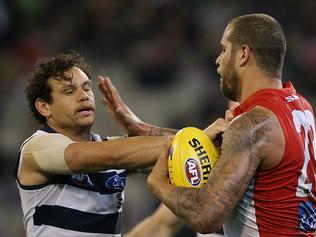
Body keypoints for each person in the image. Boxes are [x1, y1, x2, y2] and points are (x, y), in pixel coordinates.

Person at [101, 14, 316, 236]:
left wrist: (158, 184)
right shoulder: (301, 108)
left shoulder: (252, 124)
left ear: (243, 54)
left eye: (224, 50)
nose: (218, 60)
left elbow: (205, 216)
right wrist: (143, 129)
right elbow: (226, 145)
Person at [14, 52, 175, 237]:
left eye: (87, 88)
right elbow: (109, 155)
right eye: (69, 91)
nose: (84, 96)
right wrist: (190, 141)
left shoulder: (112, 149)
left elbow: (185, 153)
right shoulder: (36, 148)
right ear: (44, 107)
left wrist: (143, 128)